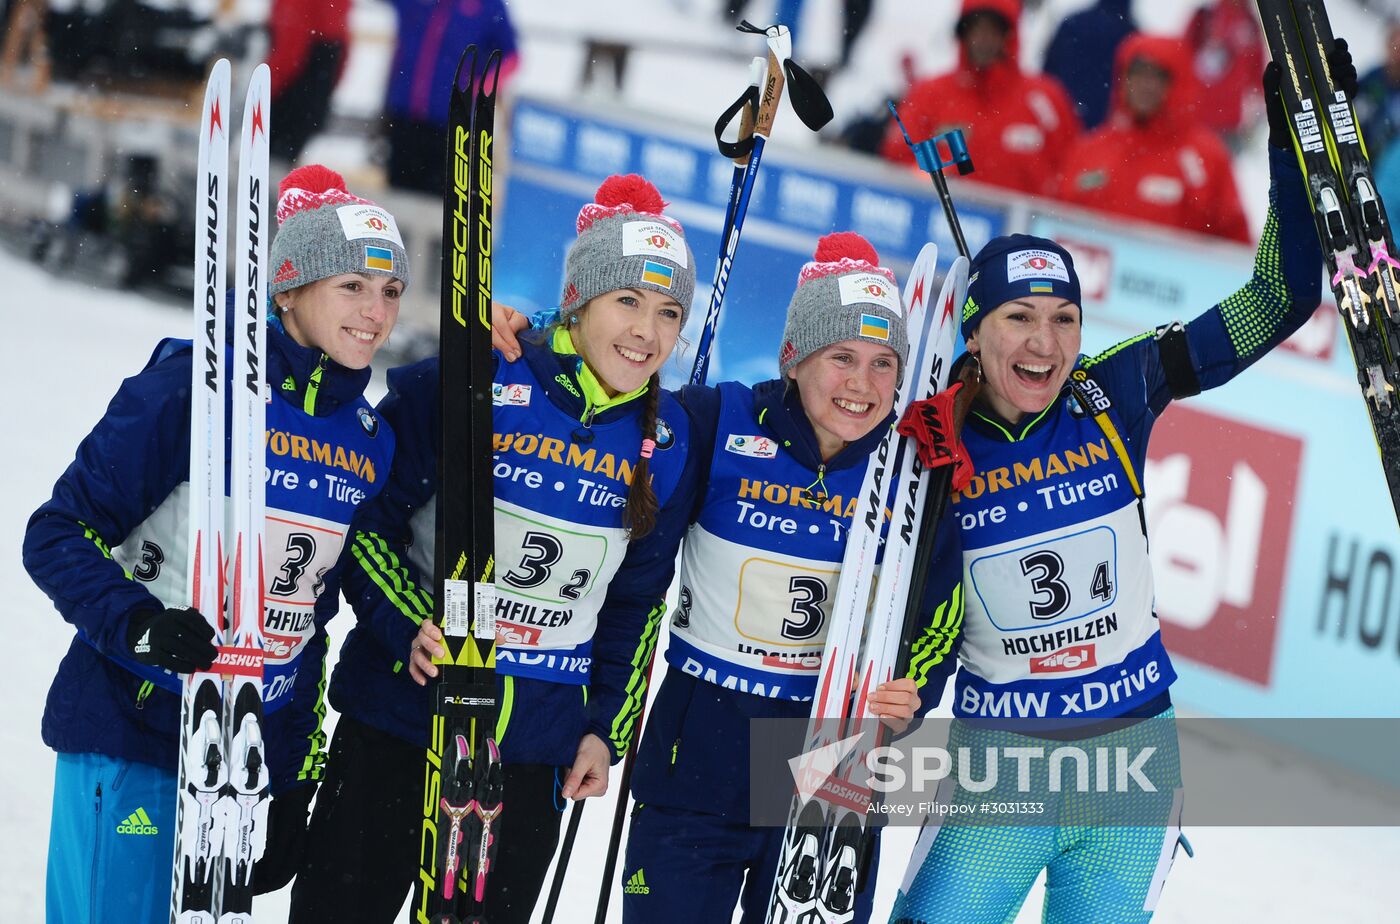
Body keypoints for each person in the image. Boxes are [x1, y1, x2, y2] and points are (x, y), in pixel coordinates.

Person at [889, 59, 1326, 923]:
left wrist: (1291, 145)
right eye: (1019, 317)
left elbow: (1279, 298)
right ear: (974, 335)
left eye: (1064, 319)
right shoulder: (930, 440)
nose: (1045, 343)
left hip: (1132, 763)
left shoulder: (1112, 389)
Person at [496, 231, 966, 924]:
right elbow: (616, 391)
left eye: (883, 363)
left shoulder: (917, 469)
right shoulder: (716, 422)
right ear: (793, 356)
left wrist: (910, 696)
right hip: (699, 753)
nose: (861, 385)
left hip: (832, 769)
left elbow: (940, 617)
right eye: (840, 358)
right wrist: (529, 332)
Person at [289, 174, 702, 923]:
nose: (648, 331)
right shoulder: (482, 375)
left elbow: (638, 602)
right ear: (578, 301)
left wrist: (604, 730)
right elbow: (364, 522)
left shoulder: (668, 441)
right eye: (628, 302)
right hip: (403, 718)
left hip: (534, 745)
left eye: (670, 312)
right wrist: (407, 624)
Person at [23, 164, 409, 922]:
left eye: (391, 290)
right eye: (352, 286)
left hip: (238, 763)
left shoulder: (368, 441)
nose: (376, 312)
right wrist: (138, 623)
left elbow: (307, 627)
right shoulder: (193, 387)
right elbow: (56, 533)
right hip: (134, 724)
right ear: (290, 290)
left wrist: (291, 781)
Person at [1055, 33, 1250, 244]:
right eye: (1137, 74)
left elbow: (1234, 240)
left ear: (1176, 83)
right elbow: (1054, 219)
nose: (1145, 86)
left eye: (1156, 76)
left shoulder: (1205, 157)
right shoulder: (1090, 150)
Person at [881, 0, 1080, 197]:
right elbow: (898, 160)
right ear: (963, 34)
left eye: (993, 30)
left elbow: (1071, 174)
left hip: (1022, 225)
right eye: (976, 29)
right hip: (947, 223)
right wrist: (937, 182)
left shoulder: (1045, 100)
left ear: (1008, 35)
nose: (984, 39)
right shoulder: (930, 95)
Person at [383, 0, 518, 195]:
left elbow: (511, 58)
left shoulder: (487, 5)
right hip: (404, 116)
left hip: (451, 125)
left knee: (439, 203)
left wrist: (477, 88)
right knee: (397, 197)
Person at [265, 0, 350, 164]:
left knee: (272, 157)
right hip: (320, 66)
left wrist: (269, 86)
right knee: (286, 153)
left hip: (297, 78)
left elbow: (291, 39)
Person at [1041, 0, 1136, 131]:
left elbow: (1048, 76)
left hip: (1065, 121)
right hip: (1109, 130)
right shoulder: (1132, 36)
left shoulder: (1073, 23)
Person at [1184, 0, 1264, 145]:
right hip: (1199, 118)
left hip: (1232, 122)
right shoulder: (1205, 16)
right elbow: (1182, 58)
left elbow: (1257, 71)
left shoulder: (1250, 22)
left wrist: (1262, 106)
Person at [1355, 22, 1400, 166]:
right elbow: (1350, 98)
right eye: (1395, 46)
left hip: (1388, 165)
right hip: (1359, 154)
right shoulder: (1373, 76)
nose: (1397, 54)